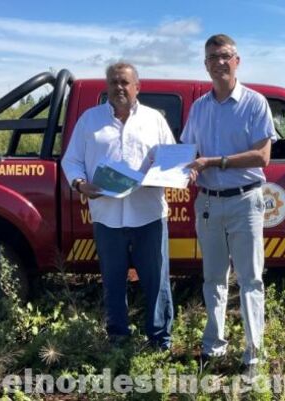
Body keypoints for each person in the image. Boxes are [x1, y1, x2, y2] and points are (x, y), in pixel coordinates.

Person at [181, 34, 276, 375]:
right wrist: (187, 170)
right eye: (212, 57)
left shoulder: (255, 103)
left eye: (225, 56)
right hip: (208, 203)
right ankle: (214, 346)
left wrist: (214, 162)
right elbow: (189, 153)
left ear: (237, 60)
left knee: (251, 279)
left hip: (245, 202)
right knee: (213, 278)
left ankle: (253, 355)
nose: (219, 62)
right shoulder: (199, 108)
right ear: (206, 64)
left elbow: (263, 156)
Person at [61, 62, 174, 350]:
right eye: (113, 82)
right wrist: (79, 184)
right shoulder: (89, 120)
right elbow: (71, 160)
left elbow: (171, 160)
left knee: (157, 281)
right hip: (106, 216)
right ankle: (118, 338)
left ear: (138, 86)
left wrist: (171, 172)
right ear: (107, 86)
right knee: (112, 280)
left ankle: (160, 340)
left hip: (149, 214)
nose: (119, 88)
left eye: (125, 82)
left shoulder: (154, 120)